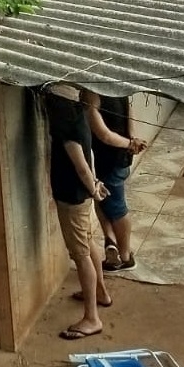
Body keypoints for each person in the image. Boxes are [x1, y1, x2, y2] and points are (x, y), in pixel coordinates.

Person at [42, 82, 112, 340]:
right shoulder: (80, 119)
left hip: (72, 198)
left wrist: (93, 186)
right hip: (81, 197)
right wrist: (94, 186)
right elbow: (89, 158)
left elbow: (81, 166)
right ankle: (101, 292)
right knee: (89, 243)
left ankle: (91, 318)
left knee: (80, 254)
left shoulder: (67, 130)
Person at [81, 90, 147, 272]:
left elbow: (104, 135)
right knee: (101, 201)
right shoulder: (117, 86)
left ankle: (125, 258)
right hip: (120, 157)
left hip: (111, 161)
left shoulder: (91, 96)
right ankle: (111, 244)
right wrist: (132, 139)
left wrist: (130, 143)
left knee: (117, 209)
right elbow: (129, 111)